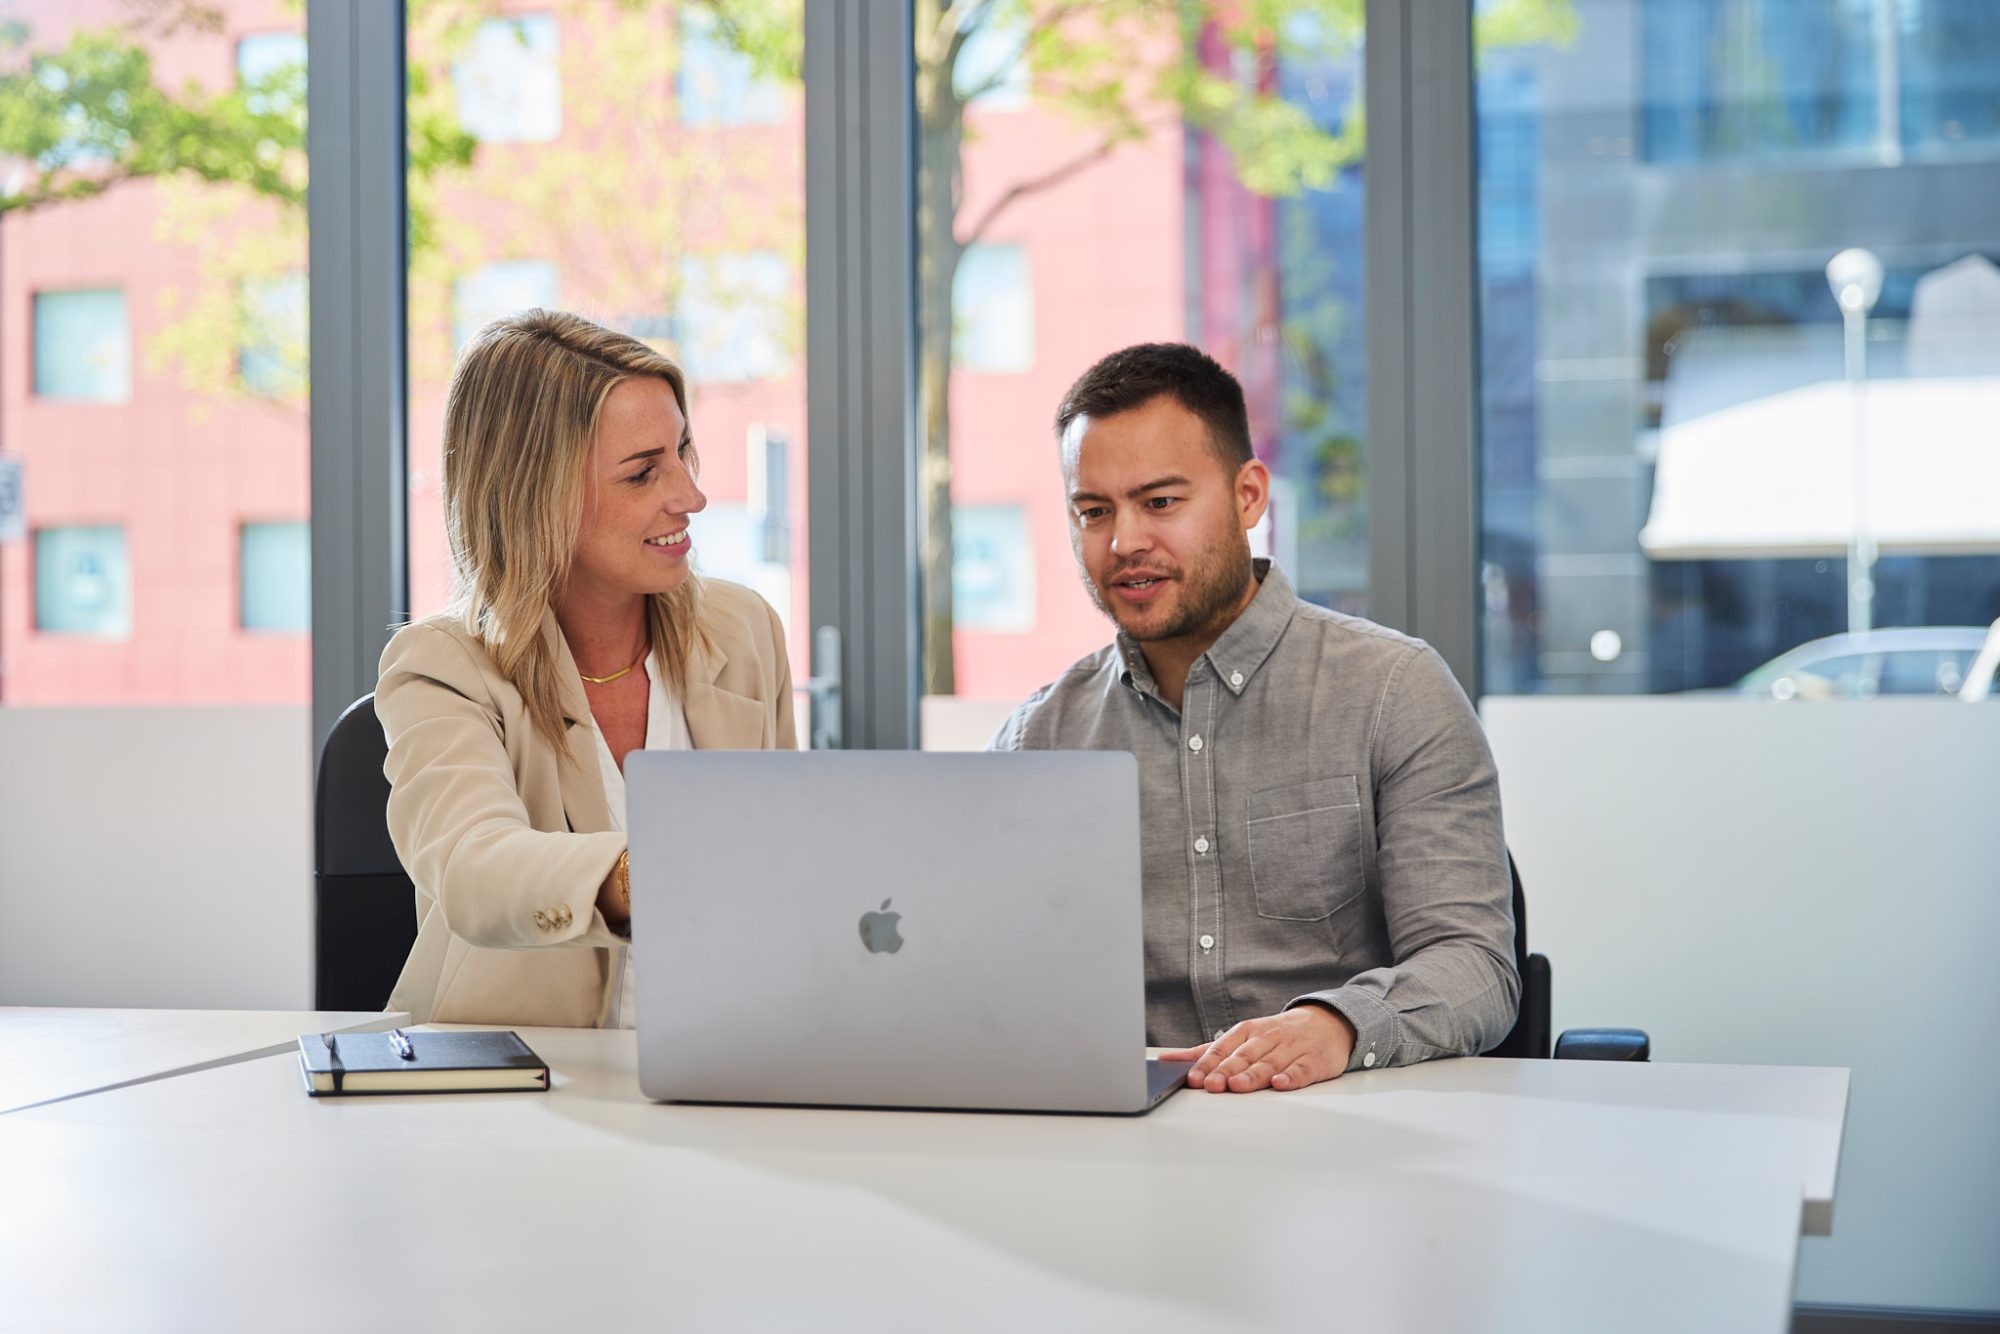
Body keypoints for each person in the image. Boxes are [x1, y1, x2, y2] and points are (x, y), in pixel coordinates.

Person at [992, 343, 1517, 1093]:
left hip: (1350, 1132)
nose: (1125, 541)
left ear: (1248, 497)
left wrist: (1336, 1027)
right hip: (1117, 1146)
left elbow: (1475, 969)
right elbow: (978, 973)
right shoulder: (1035, 740)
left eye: (1161, 501)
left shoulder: (1394, 690)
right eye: (1094, 511)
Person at [378, 309, 796, 1028]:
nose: (690, 498)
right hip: (528, 1084)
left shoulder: (743, 629)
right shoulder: (442, 668)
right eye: (643, 473)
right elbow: (474, 869)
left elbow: (791, 863)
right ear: (535, 494)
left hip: (725, 1057)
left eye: (682, 455)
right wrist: (643, 873)